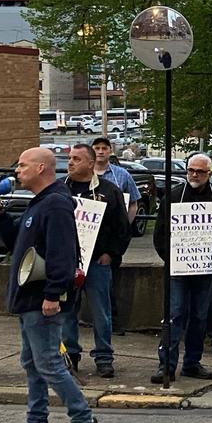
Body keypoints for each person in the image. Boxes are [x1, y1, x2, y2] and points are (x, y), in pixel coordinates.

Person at [0, 147, 104, 423]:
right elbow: (20, 243)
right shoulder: (41, 202)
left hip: (41, 297)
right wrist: (0, 216)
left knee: (49, 363)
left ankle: (85, 422)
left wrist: (53, 294)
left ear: (42, 168)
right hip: (29, 298)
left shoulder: (55, 203)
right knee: (32, 362)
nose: (18, 170)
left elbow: (61, 253)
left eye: (23, 165)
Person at [151, 153, 212, 384]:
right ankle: (165, 364)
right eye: (191, 171)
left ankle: (192, 363)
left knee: (199, 316)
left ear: (209, 173)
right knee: (174, 315)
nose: (194, 175)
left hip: (206, 270)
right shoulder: (174, 196)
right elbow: (160, 233)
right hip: (178, 270)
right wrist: (172, 260)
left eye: (200, 171)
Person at [61, 144, 130, 378]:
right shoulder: (60, 189)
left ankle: (104, 357)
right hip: (66, 261)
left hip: (97, 262)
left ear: (90, 164)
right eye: (69, 158)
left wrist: (110, 253)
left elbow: (121, 227)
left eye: (76, 159)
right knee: (67, 310)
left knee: (101, 312)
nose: (70, 162)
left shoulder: (109, 191)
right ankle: (71, 355)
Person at [92, 137, 140, 336]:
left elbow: (134, 202)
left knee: (110, 277)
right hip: (89, 235)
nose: (101, 152)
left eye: (104, 148)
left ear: (110, 151)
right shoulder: (84, 175)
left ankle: (113, 321)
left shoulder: (121, 175)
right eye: (97, 148)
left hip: (113, 237)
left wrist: (125, 227)